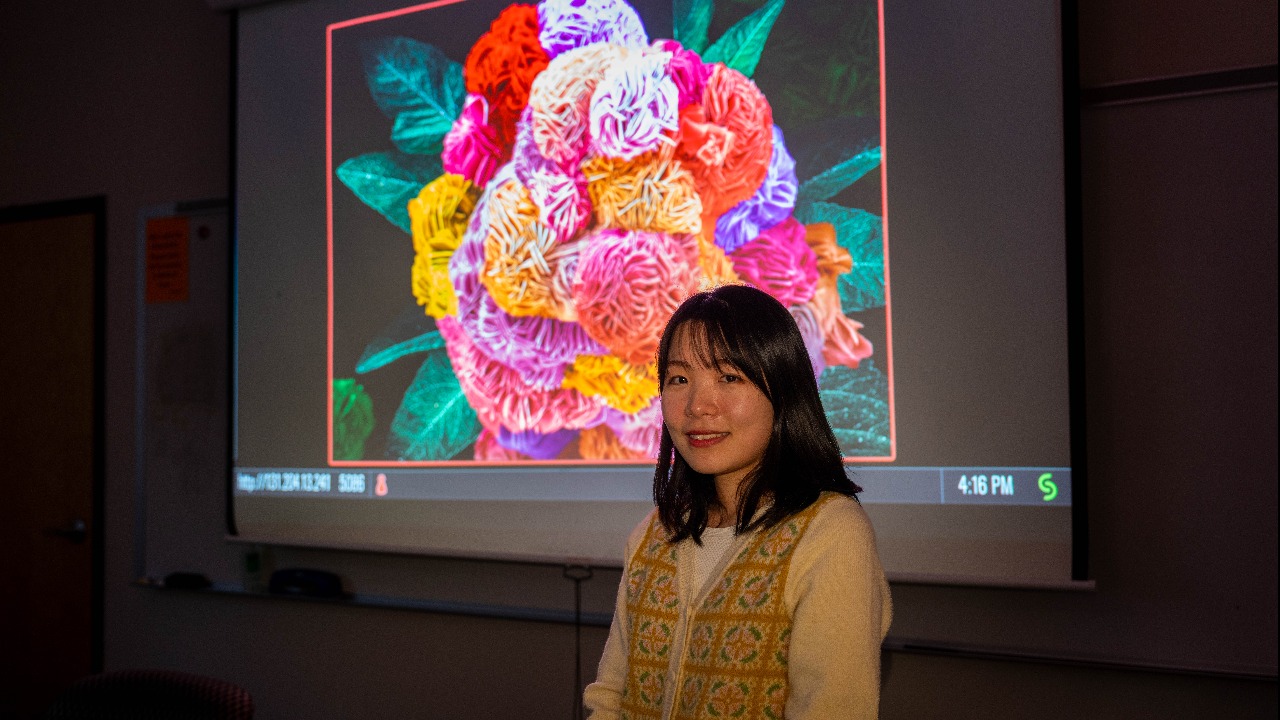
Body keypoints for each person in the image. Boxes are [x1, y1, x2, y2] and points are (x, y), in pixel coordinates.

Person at [583, 284, 893, 719]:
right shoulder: (656, 532)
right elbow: (610, 697)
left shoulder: (829, 534)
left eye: (729, 377)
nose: (697, 405)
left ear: (783, 389)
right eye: (679, 379)